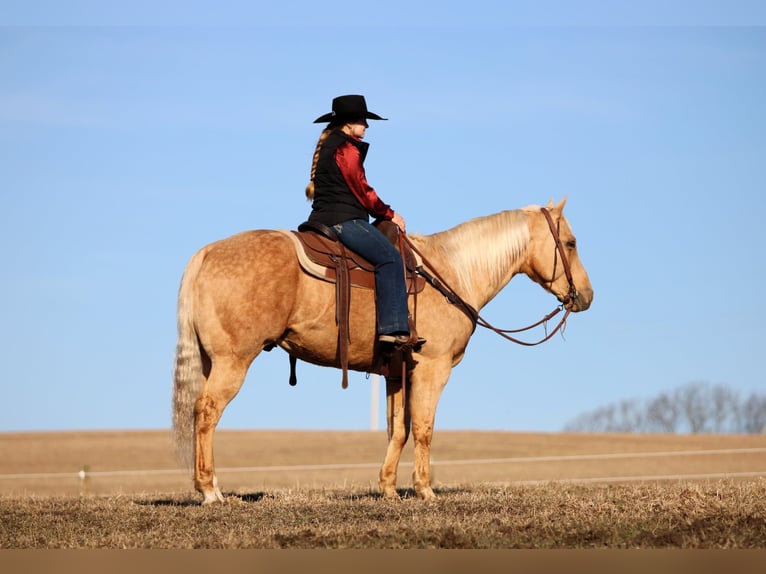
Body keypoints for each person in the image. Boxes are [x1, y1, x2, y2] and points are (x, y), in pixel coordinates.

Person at [306, 94, 424, 348]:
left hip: (324, 218)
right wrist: (390, 214)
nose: (366, 126)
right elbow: (362, 189)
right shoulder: (346, 148)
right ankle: (393, 329)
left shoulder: (331, 145)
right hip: (343, 220)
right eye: (362, 120)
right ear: (349, 123)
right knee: (390, 259)